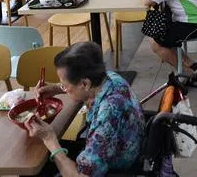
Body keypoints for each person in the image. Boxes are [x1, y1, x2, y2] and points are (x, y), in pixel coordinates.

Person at [22, 42, 144, 177]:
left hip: (115, 169)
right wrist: (56, 88)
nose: (64, 88)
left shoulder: (106, 117)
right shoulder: (111, 78)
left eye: (64, 85)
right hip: (118, 149)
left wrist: (49, 138)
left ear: (85, 84)